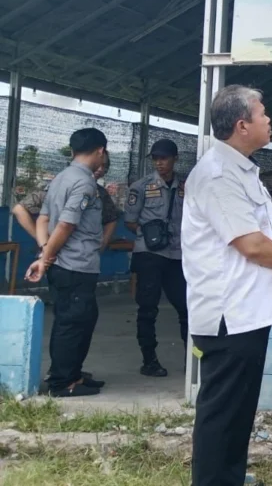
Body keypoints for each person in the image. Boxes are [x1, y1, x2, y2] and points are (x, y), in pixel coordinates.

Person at [183, 85, 272, 486]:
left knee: (238, 410)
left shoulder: (242, 169)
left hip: (248, 313)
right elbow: (250, 244)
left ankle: (228, 477)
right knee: (222, 411)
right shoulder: (217, 175)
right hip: (228, 314)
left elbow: (265, 229)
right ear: (242, 125)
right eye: (263, 114)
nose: (269, 120)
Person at [24, 128, 110, 398]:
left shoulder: (61, 178)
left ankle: (73, 373)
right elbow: (65, 225)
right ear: (100, 151)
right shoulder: (84, 184)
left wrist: (43, 252)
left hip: (68, 264)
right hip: (75, 265)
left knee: (81, 319)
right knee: (72, 323)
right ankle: (62, 383)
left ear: (73, 151)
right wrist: (46, 258)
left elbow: (42, 219)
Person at [126, 138, 189, 378]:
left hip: (177, 254)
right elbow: (131, 221)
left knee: (186, 308)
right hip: (149, 254)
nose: (160, 163)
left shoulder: (186, 186)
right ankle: (149, 360)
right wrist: (151, 236)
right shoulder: (141, 186)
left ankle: (190, 361)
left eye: (164, 158)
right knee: (148, 308)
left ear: (175, 159)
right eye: (156, 158)